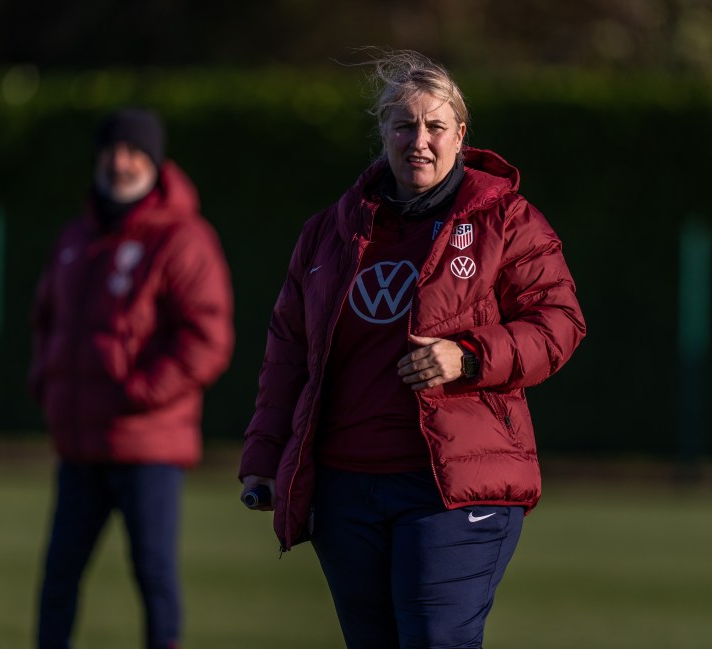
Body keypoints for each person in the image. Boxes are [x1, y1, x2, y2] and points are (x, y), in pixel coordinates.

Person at [239, 50, 586, 648]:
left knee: (433, 639)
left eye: (434, 126)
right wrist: (264, 457)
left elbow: (558, 323)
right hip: (346, 489)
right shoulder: (330, 230)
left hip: (452, 487)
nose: (418, 141)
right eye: (403, 125)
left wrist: (470, 355)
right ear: (383, 134)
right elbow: (289, 352)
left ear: (460, 133)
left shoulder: (508, 220)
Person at [29, 107, 234, 649]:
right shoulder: (76, 237)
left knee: (154, 576)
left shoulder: (184, 239)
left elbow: (208, 339)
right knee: (57, 579)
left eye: (133, 153)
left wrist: (141, 391)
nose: (120, 163)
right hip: (80, 445)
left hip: (148, 445)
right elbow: (46, 320)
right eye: (111, 152)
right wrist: (45, 383)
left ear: (154, 162)